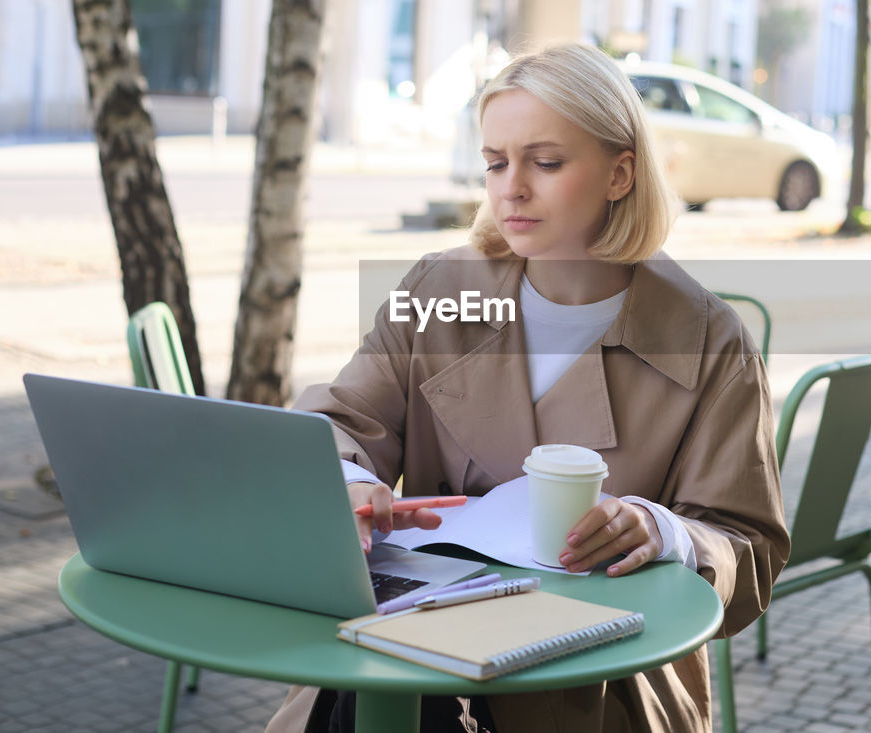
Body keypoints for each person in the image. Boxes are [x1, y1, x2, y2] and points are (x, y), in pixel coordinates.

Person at [265, 42, 790, 733]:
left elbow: (748, 543)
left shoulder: (709, 339)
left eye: (545, 162)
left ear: (620, 173)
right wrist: (346, 481)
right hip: (408, 647)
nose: (511, 187)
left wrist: (663, 531)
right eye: (494, 162)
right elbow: (340, 420)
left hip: (598, 675)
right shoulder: (438, 290)